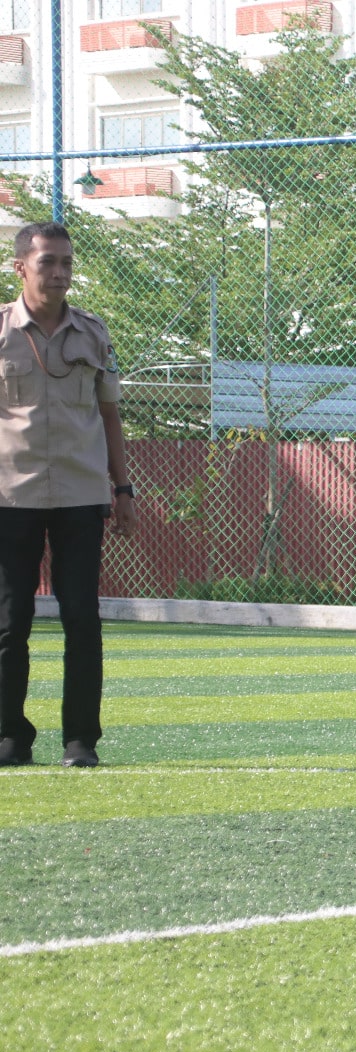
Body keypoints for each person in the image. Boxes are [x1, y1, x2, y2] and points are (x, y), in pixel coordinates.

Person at [0, 221, 137, 769]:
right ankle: (10, 736)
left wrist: (123, 489)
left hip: (80, 494)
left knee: (82, 618)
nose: (59, 273)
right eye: (48, 263)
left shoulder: (93, 333)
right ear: (20, 268)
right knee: (9, 622)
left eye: (66, 264)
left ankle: (80, 740)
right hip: (11, 495)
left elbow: (110, 415)